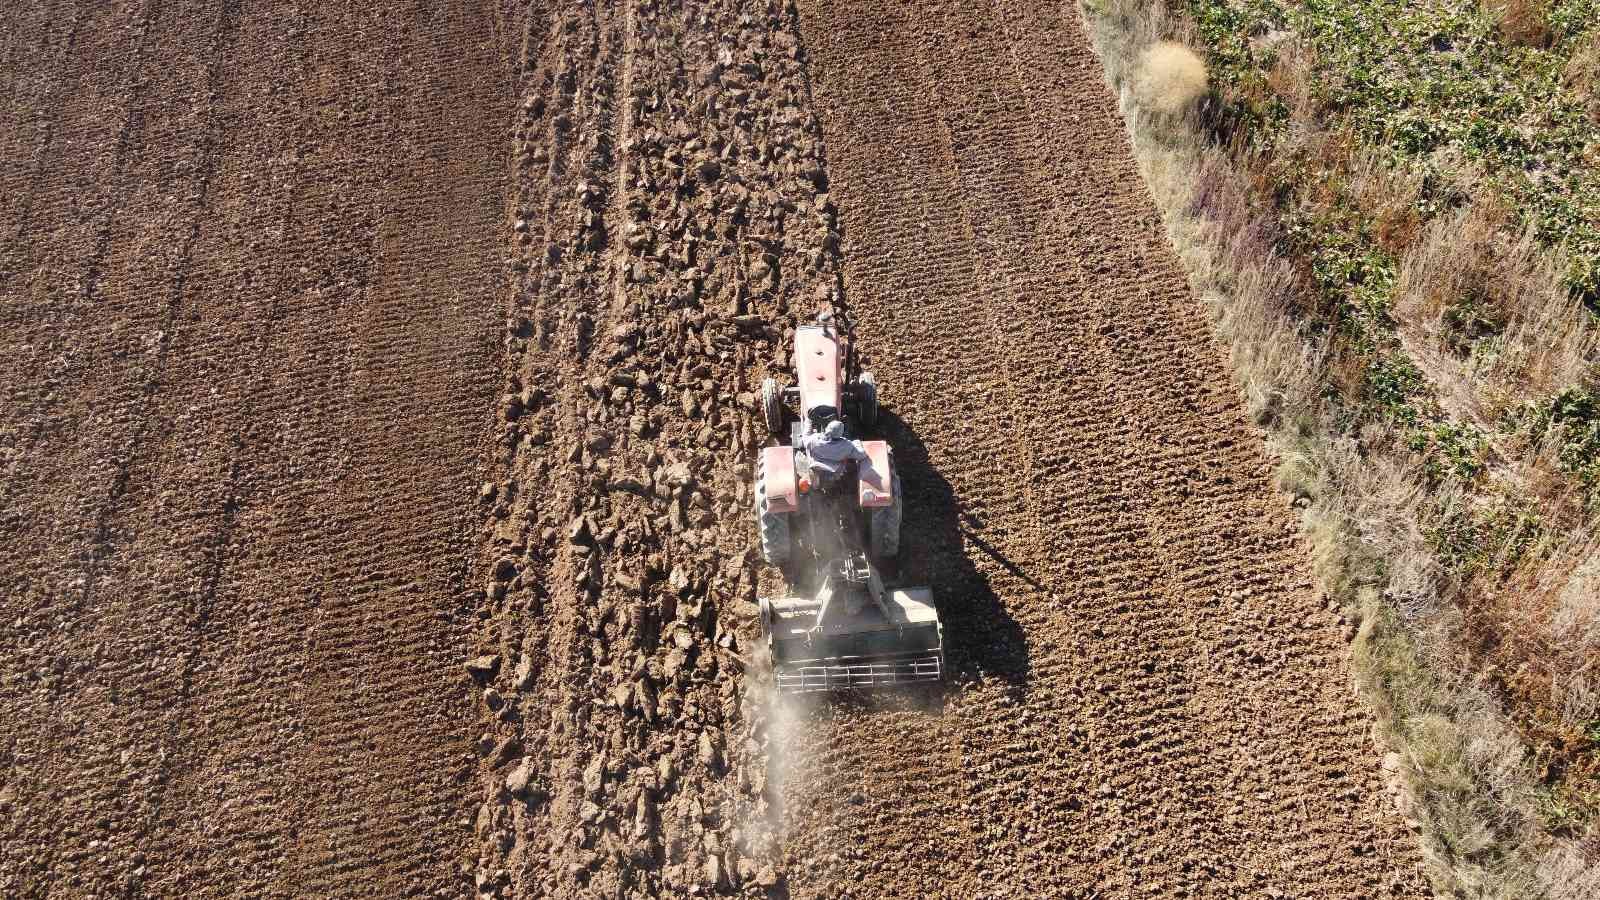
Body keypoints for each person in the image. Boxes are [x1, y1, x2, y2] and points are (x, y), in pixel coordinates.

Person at [800, 419, 868, 488]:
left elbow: (805, 437)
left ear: (827, 429)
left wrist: (808, 422)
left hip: (816, 467)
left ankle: (814, 479)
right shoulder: (847, 446)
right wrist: (857, 442)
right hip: (833, 473)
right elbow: (862, 455)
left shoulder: (813, 440)